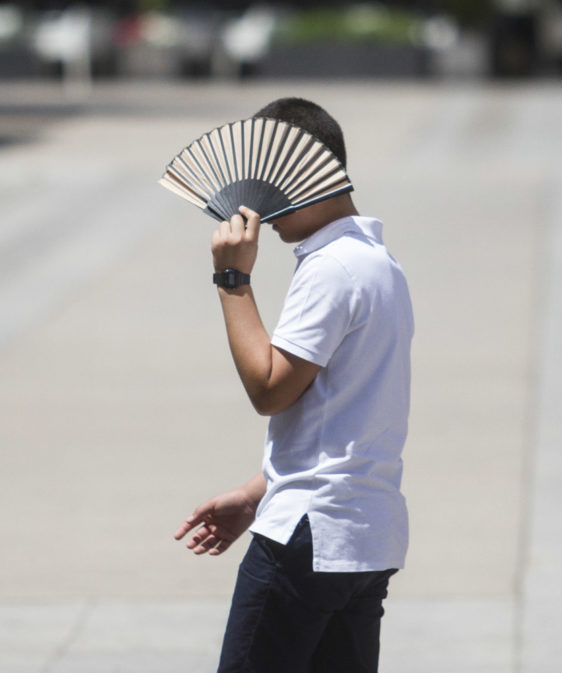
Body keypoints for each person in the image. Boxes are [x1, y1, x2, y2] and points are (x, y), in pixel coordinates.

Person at [173, 97, 414, 673]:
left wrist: (233, 281)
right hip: (366, 538)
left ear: (302, 174)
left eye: (268, 186)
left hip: (308, 537)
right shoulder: (380, 264)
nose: (260, 206)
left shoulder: (331, 268)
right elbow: (349, 417)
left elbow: (270, 390)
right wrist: (257, 494)